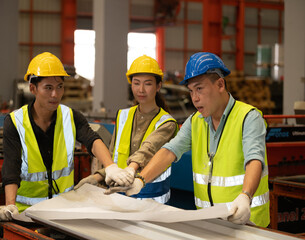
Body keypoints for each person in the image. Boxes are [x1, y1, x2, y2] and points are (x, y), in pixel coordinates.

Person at [107, 52, 270, 227]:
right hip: (210, 223)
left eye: (200, 89)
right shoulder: (195, 121)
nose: (195, 98)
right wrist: (140, 180)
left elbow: (254, 160)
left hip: (246, 221)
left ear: (220, 84)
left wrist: (246, 196)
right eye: (191, 91)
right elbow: (169, 151)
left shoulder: (248, 117)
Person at [0, 52, 133, 221]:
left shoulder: (70, 117)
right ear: (33, 88)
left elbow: (93, 140)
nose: (55, 94)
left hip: (64, 209)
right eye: (48, 88)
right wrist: (10, 205)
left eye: (59, 86)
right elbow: (11, 168)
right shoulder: (15, 122)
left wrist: (110, 166)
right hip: (27, 213)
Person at [74, 55, 178, 203]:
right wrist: (96, 177)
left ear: (158, 86)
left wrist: (131, 169)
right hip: (120, 198)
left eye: (148, 84)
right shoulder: (123, 116)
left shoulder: (166, 123)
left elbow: (148, 149)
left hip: (152, 201)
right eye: (136, 83)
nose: (141, 89)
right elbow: (114, 161)